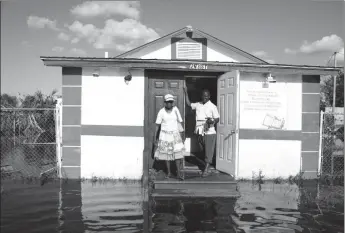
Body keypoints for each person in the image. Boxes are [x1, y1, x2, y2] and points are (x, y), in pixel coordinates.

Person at [183, 84, 220, 177]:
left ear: (209, 96)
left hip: (209, 131)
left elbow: (217, 119)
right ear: (202, 96)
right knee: (202, 150)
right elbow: (188, 104)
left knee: (209, 151)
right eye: (204, 96)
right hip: (199, 131)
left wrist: (211, 121)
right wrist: (185, 92)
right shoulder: (198, 104)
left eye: (207, 96)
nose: (205, 97)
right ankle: (208, 166)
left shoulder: (212, 106)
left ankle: (206, 170)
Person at [153, 94, 185, 180]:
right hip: (165, 135)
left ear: (173, 102)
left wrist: (182, 137)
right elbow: (157, 126)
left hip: (175, 135)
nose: (169, 104)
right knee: (167, 155)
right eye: (167, 102)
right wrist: (155, 138)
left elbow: (179, 123)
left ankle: (178, 173)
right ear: (165, 102)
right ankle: (169, 173)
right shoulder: (161, 112)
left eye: (171, 102)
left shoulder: (176, 110)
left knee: (177, 155)